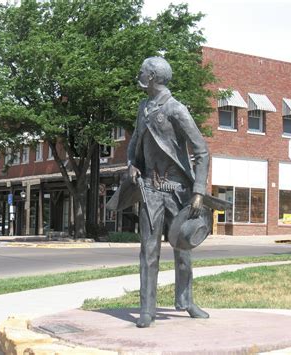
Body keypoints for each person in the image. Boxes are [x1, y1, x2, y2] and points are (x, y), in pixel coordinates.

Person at [127, 56, 210, 328]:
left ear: (151, 76)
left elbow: (201, 151)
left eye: (142, 70)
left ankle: (186, 301)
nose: (138, 73)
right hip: (150, 188)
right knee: (148, 251)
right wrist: (132, 165)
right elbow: (136, 142)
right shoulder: (143, 108)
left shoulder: (176, 109)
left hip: (177, 190)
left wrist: (198, 191)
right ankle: (146, 309)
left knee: (183, 248)